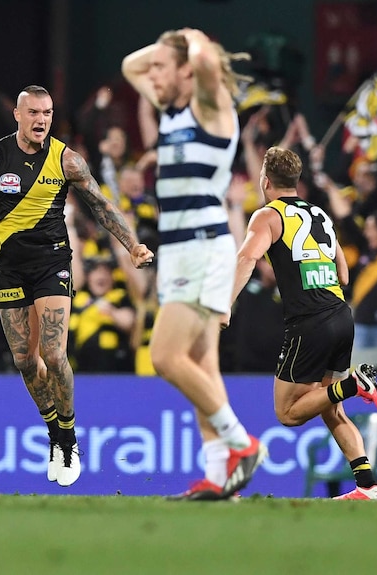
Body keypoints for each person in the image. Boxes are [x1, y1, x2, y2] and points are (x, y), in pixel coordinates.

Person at [0, 85, 154, 487]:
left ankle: (67, 434)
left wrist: (132, 245)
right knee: (26, 362)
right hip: (11, 268)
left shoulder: (66, 160)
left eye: (46, 112)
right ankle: (54, 431)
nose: (41, 120)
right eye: (33, 112)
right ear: (17, 114)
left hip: (53, 263)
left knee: (53, 351)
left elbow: (101, 205)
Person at [122, 28, 266, 500]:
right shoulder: (171, 109)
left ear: (187, 69)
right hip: (181, 250)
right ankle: (219, 476)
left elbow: (204, 65)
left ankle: (241, 443)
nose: (153, 75)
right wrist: (166, 50)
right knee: (203, 363)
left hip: (204, 247)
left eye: (164, 67)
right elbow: (130, 66)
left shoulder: (212, 105)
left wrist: (189, 40)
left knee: (164, 356)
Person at [226, 146, 377, 500]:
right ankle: (368, 485)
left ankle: (355, 385)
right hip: (340, 313)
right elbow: (344, 275)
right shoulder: (319, 213)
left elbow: (246, 257)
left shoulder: (268, 215)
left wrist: (225, 306)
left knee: (287, 413)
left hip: (309, 322)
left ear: (266, 180)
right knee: (329, 406)